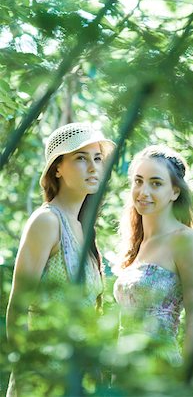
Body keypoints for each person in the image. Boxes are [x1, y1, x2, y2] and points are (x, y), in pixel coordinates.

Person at [6, 122, 115, 396]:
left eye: (97, 158)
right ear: (57, 168)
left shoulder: (83, 228)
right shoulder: (46, 221)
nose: (93, 167)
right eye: (81, 158)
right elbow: (17, 309)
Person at [113, 145, 193, 368]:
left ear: (175, 192)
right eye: (138, 181)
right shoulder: (137, 244)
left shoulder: (185, 240)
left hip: (160, 372)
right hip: (122, 372)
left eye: (156, 183)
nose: (143, 191)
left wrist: (186, 379)